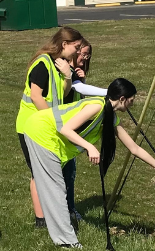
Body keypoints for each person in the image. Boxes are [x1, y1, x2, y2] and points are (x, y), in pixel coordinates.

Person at [23, 78, 155, 248]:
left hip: (50, 138)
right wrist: (89, 147)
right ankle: (67, 242)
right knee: (56, 189)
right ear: (122, 99)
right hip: (41, 131)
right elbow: (65, 129)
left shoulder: (110, 117)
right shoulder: (97, 106)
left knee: (56, 188)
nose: (132, 104)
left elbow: (134, 148)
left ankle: (63, 235)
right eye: (131, 100)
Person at [14, 27, 83, 229]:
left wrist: (68, 76)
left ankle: (51, 214)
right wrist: (54, 121)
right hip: (31, 126)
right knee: (38, 173)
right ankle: (41, 220)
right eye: (76, 47)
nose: (78, 52)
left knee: (50, 172)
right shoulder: (43, 64)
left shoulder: (59, 64)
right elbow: (36, 96)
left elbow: (64, 93)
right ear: (64, 44)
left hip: (45, 126)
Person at [63, 39, 108, 227]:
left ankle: (69, 208)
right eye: (83, 53)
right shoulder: (65, 69)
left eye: (89, 54)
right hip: (62, 125)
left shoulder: (76, 73)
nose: (86, 58)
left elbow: (79, 92)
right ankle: (64, 211)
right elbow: (76, 88)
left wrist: (82, 80)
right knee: (64, 170)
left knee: (70, 171)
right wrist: (109, 91)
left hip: (70, 124)